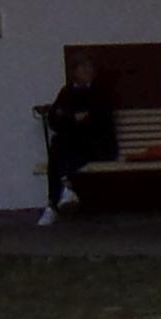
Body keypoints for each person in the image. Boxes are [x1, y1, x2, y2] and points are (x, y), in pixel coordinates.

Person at [40, 52, 118, 224]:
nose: (89, 71)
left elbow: (97, 121)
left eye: (90, 67)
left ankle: (55, 202)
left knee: (61, 149)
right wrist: (73, 118)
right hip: (72, 143)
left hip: (97, 144)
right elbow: (54, 119)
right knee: (58, 146)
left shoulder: (100, 92)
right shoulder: (66, 92)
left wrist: (68, 118)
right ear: (75, 72)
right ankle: (64, 192)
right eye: (84, 67)